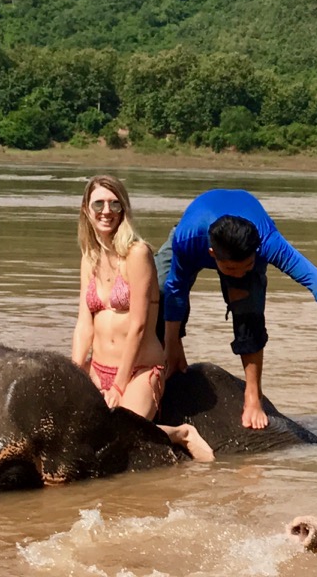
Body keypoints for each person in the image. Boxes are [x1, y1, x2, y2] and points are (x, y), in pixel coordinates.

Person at [156, 189, 317, 429]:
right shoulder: (187, 241)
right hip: (193, 232)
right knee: (159, 290)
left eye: (246, 266)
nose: (239, 274)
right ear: (212, 255)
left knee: (248, 308)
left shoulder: (267, 243)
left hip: (248, 233)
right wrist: (172, 342)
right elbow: (176, 289)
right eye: (231, 270)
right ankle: (170, 360)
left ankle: (253, 393)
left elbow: (312, 277)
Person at [71, 175, 214, 461]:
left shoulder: (138, 253)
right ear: (87, 209)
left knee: (124, 434)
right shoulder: (89, 257)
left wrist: (120, 385)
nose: (106, 211)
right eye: (98, 203)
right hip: (98, 367)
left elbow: (138, 325)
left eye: (114, 204)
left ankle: (181, 433)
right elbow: (84, 323)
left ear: (124, 210)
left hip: (138, 370)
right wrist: (74, 372)